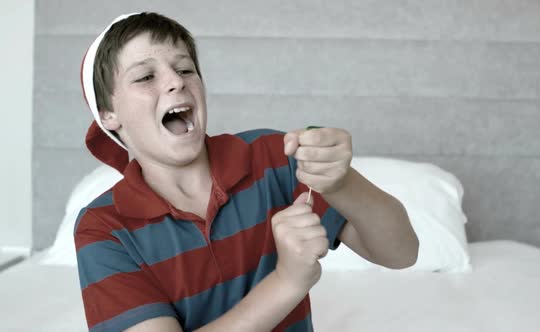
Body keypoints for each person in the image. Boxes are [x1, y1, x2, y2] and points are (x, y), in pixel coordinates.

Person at [75, 12, 418, 332]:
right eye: (146, 76)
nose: (176, 82)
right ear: (108, 114)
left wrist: (341, 182)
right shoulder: (103, 228)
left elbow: (402, 253)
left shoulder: (273, 158)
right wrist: (287, 281)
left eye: (185, 69)